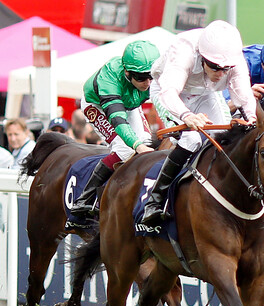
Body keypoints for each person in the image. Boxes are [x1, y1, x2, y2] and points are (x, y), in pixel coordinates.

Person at [142, 21, 254, 226]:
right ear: (202, 56)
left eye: (225, 69)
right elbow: (169, 92)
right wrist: (186, 115)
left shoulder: (235, 58)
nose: (220, 73)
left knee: (226, 138)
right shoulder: (184, 50)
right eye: (215, 67)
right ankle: (156, 199)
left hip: (205, 93)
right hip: (170, 92)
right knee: (192, 139)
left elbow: (244, 96)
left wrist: (252, 118)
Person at [70, 40, 162, 217]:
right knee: (125, 148)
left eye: (151, 76)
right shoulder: (109, 80)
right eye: (141, 77)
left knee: (145, 141)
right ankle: (85, 199)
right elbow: (118, 120)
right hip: (98, 105)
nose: (148, 83)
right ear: (127, 72)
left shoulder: (152, 77)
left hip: (129, 103)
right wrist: (136, 146)